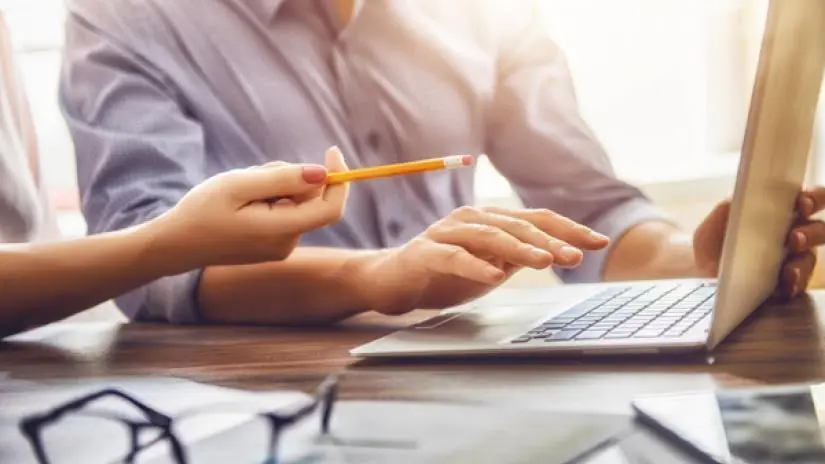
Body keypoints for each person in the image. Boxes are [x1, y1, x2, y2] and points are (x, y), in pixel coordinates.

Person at [59, 0, 825, 326]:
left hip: (456, 372)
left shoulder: (486, 12)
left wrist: (692, 265)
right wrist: (376, 278)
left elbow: (590, 212)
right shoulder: (131, 17)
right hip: (244, 398)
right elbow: (145, 261)